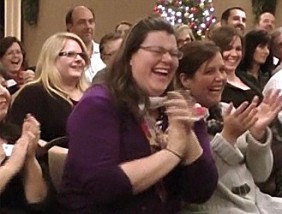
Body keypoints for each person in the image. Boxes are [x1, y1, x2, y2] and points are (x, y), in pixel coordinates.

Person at [58, 16, 218, 213]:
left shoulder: (178, 106)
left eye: (174, 53)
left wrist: (187, 133)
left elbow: (201, 191)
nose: (168, 59)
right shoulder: (98, 105)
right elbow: (103, 186)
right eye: (157, 51)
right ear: (130, 57)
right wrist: (172, 153)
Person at [175, 40, 282, 214]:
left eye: (222, 70)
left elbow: (261, 175)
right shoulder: (180, 121)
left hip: (262, 205)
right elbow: (202, 182)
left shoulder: (229, 111)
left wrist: (257, 135)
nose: (220, 78)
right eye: (209, 71)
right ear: (185, 79)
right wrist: (228, 137)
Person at [212, 26, 282, 207]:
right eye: (228, 48)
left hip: (268, 136)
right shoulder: (217, 85)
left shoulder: (246, 78)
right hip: (243, 140)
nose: (233, 54)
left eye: (238, 49)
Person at [9, 32, 89, 143]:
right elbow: (16, 138)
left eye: (82, 55)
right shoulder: (33, 93)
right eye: (70, 54)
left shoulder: (92, 94)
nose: (79, 59)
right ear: (52, 58)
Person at [0, 65, 49, 213]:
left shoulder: (13, 133)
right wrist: (12, 165)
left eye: (3, 85)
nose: (3, 92)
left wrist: (29, 157)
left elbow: (38, 200)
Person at [65, 5, 106, 83]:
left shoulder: (105, 52)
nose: (88, 26)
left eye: (91, 22)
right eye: (81, 23)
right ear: (70, 27)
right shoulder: (63, 55)